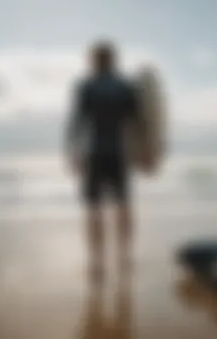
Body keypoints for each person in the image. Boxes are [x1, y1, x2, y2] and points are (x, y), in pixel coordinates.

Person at [65, 40, 144, 283]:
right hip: (118, 153)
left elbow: (76, 122)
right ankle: (124, 258)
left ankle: (97, 263)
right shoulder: (125, 86)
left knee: (94, 209)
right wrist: (145, 150)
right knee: (122, 206)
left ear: (93, 60)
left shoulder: (86, 86)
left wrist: (73, 152)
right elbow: (138, 121)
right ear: (113, 59)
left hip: (94, 152)